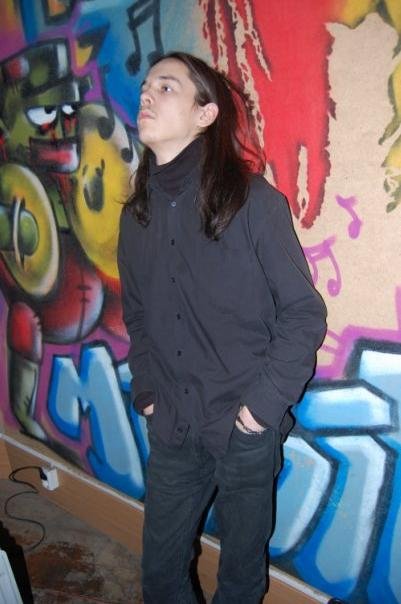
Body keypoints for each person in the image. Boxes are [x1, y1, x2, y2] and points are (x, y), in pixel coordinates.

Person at [117, 51, 327, 604]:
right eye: (146, 86)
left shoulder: (254, 202)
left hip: (243, 430)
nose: (147, 94)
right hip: (172, 425)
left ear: (205, 114)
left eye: (166, 86)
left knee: (239, 581)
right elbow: (137, 315)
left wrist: (258, 412)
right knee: (161, 577)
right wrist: (148, 395)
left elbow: (303, 313)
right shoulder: (134, 218)